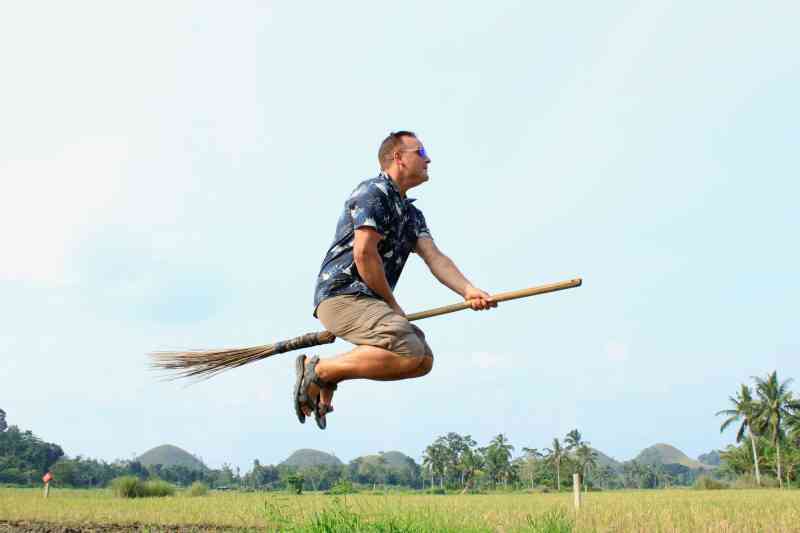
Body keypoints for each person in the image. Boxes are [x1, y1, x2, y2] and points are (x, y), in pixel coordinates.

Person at [294, 131, 497, 429]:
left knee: (422, 359)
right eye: (421, 152)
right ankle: (321, 370)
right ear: (398, 158)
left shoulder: (412, 214)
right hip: (342, 296)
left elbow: (435, 258)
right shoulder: (372, 193)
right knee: (408, 350)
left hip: (369, 302)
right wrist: (392, 304)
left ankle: (329, 373)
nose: (428, 159)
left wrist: (469, 290)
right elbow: (364, 254)